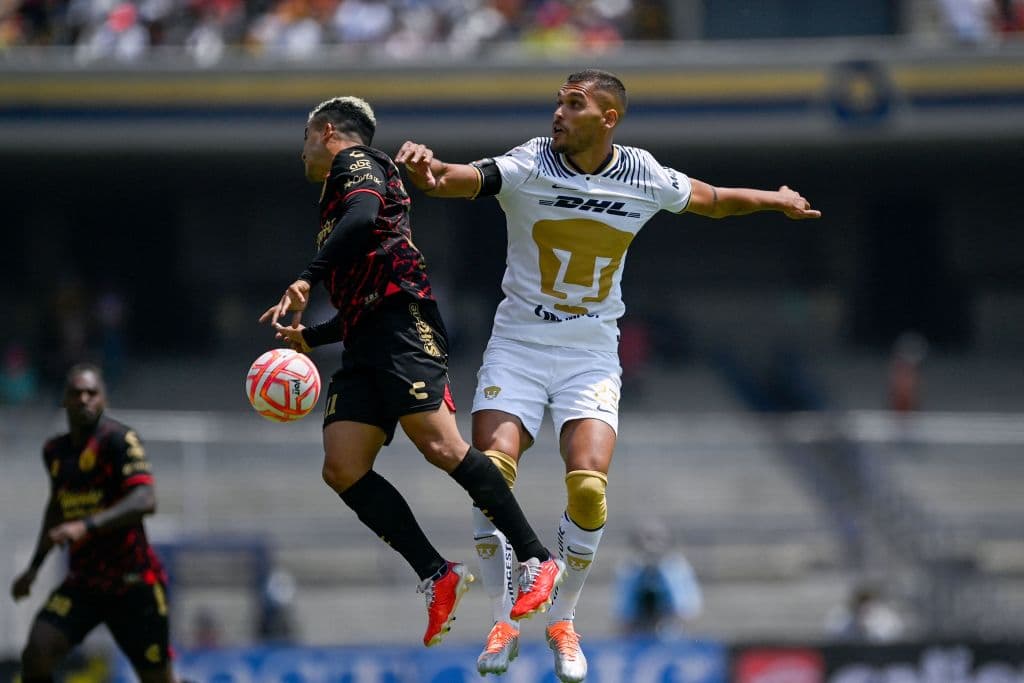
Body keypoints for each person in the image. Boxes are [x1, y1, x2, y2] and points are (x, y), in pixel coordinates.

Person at [395, 68, 821, 681]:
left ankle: (564, 621)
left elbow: (714, 201)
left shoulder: (641, 173)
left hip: (590, 352)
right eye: (558, 103)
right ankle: (503, 620)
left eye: (573, 104)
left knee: (589, 489)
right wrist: (426, 170)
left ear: (608, 118)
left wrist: (775, 200)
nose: (558, 114)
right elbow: (461, 180)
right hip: (518, 345)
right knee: (491, 469)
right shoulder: (531, 161)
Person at [261, 96, 565, 648]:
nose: (302, 151)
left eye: (305, 138)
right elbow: (360, 292)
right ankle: (436, 574)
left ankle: (538, 559)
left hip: (403, 322)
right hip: (366, 335)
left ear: (327, 131)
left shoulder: (357, 163)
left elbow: (362, 218)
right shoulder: (341, 186)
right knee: (342, 465)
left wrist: (308, 278)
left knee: (440, 446)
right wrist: (314, 336)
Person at [9, 363, 179, 683]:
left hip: (133, 582)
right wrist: (33, 568)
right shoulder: (55, 452)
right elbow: (56, 510)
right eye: (76, 393)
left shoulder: (119, 441)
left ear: (104, 400)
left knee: (157, 679)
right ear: (64, 400)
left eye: (92, 393)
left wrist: (85, 525)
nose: (84, 399)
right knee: (37, 653)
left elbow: (145, 499)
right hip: (84, 582)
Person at [613, 519, 703, 640]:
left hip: (672, 632)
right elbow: (623, 609)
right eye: (647, 539)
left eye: (657, 538)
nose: (651, 545)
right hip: (637, 633)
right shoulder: (629, 569)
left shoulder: (678, 567)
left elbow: (688, 607)